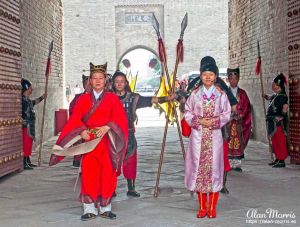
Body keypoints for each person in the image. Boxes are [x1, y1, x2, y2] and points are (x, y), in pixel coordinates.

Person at [49, 62, 128, 221]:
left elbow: (120, 119)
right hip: (90, 143)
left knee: (108, 174)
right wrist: (81, 131)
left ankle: (106, 207)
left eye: (101, 78)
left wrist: (108, 126)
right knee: (89, 175)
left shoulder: (112, 98)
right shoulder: (83, 99)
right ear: (90, 81)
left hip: (107, 141)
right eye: (94, 78)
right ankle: (89, 208)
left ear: (106, 80)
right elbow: (75, 119)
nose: (98, 81)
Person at [111, 70, 175, 197]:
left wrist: (168, 98)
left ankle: (131, 188)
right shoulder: (108, 98)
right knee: (112, 163)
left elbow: (151, 100)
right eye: (116, 82)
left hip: (129, 134)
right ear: (113, 83)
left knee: (130, 161)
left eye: (121, 81)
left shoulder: (134, 98)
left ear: (125, 83)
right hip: (112, 135)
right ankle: (111, 188)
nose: (119, 84)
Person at [184, 56, 231, 218]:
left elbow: (227, 114)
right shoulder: (194, 94)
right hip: (198, 138)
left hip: (214, 137)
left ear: (215, 76)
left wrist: (214, 121)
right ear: (200, 76)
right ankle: (202, 207)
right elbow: (187, 112)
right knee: (199, 172)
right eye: (205, 74)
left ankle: (212, 207)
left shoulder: (221, 95)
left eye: (211, 74)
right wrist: (198, 121)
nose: (208, 77)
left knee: (214, 172)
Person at [227, 68, 252, 172]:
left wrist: (241, 115)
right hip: (228, 122)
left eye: (235, 79)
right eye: (231, 79)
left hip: (238, 123)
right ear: (228, 79)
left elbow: (247, 106)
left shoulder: (242, 93)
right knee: (227, 141)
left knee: (238, 141)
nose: (233, 81)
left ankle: (237, 164)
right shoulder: (225, 92)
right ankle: (228, 163)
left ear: (238, 79)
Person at [264, 73, 289, 168]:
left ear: (279, 86)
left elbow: (285, 107)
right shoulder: (276, 95)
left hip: (278, 123)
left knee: (280, 141)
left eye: (274, 84)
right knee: (274, 141)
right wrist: (265, 96)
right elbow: (270, 97)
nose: (273, 86)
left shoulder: (282, 96)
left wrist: (281, 117)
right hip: (272, 123)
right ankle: (277, 158)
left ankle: (282, 160)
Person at [21, 79, 45, 170]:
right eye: (30, 87)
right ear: (26, 88)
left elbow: (34, 102)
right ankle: (24, 163)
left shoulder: (27, 100)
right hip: (25, 126)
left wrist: (42, 97)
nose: (32, 89)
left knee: (29, 144)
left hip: (30, 126)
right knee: (25, 144)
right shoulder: (22, 101)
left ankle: (28, 161)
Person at [69, 74, 90, 167]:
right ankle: (82, 166)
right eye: (86, 84)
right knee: (80, 147)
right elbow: (72, 110)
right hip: (81, 127)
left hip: (93, 128)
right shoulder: (78, 98)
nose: (88, 86)